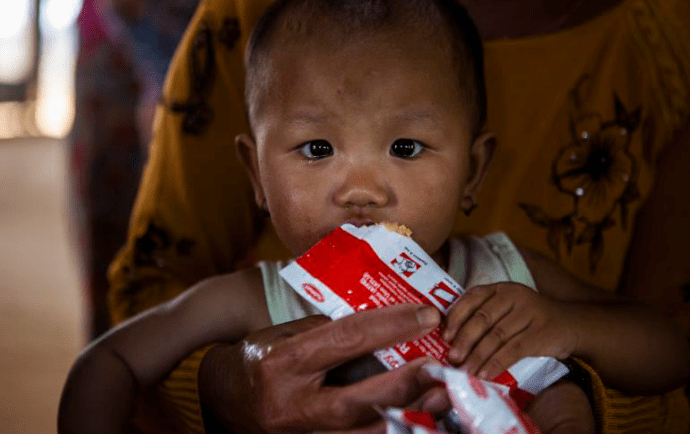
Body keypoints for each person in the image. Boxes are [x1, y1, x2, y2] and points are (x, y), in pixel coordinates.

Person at [61, 1, 689, 433]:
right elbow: (107, 362)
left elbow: (669, 349)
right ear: (256, 175)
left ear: (474, 172)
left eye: (406, 149)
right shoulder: (256, 303)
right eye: (316, 149)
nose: (361, 191)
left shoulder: (509, 274)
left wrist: (567, 331)